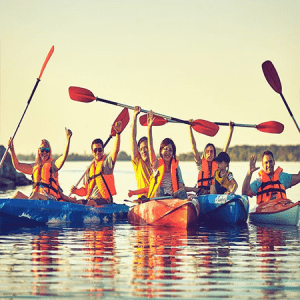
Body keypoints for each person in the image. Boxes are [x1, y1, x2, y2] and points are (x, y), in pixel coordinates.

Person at [8, 128, 73, 201]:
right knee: (18, 194)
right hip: (36, 200)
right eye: (42, 150)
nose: (44, 152)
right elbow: (17, 166)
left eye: (47, 150)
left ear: (49, 152)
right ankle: (5, 209)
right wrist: (12, 150)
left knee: (35, 195)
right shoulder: (34, 167)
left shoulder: (53, 165)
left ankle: (27, 210)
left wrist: (68, 140)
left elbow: (63, 157)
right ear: (38, 151)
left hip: (50, 200)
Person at [70, 121, 122, 206]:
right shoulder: (89, 168)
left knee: (90, 202)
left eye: (100, 149)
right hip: (91, 200)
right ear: (92, 152)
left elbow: (115, 150)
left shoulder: (106, 164)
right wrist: (76, 191)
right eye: (95, 150)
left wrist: (118, 134)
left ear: (103, 150)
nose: (98, 152)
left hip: (104, 201)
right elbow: (85, 190)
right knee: (74, 201)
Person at [146, 111, 187, 199]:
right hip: (159, 198)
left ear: (173, 153)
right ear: (161, 151)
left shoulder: (176, 167)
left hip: (172, 198)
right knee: (159, 190)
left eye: (170, 150)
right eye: (165, 149)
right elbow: (150, 148)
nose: (167, 152)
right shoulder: (156, 164)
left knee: (182, 191)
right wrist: (149, 128)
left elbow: (180, 184)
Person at [189, 121, 234, 195]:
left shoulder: (218, 164)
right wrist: (190, 129)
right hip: (202, 194)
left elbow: (225, 148)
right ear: (204, 153)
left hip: (214, 193)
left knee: (214, 187)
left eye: (212, 151)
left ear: (214, 154)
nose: (209, 153)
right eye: (207, 151)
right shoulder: (200, 164)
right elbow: (193, 147)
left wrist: (230, 131)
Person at [128, 106, 152, 198]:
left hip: (156, 198)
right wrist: (134, 117)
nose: (143, 151)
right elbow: (132, 139)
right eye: (141, 149)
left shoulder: (156, 163)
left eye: (146, 148)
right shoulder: (138, 162)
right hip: (143, 200)